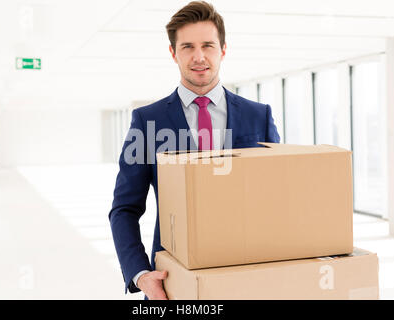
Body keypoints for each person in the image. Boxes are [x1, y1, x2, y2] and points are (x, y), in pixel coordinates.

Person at [109, 1, 280, 300]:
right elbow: (124, 208)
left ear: (223, 49)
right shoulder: (148, 120)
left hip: (249, 271)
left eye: (208, 45)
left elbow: (280, 195)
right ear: (174, 53)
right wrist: (140, 274)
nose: (199, 57)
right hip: (174, 278)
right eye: (187, 46)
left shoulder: (259, 115)